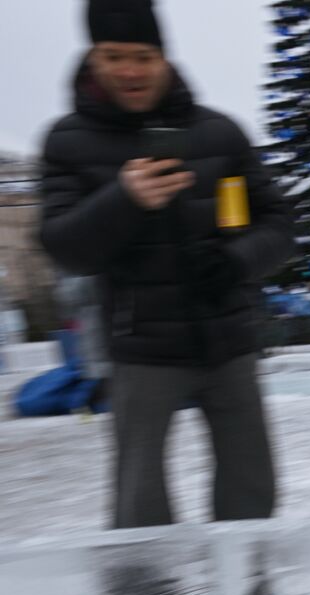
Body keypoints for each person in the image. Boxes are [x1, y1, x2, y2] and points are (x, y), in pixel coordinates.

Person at [40, 0, 295, 530]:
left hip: (228, 341)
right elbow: (64, 248)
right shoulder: (66, 142)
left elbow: (279, 224)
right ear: (93, 58)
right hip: (141, 352)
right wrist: (124, 198)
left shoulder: (221, 134)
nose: (130, 71)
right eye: (114, 56)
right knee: (140, 506)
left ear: (165, 58)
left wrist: (234, 261)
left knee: (253, 490)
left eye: (143, 56)